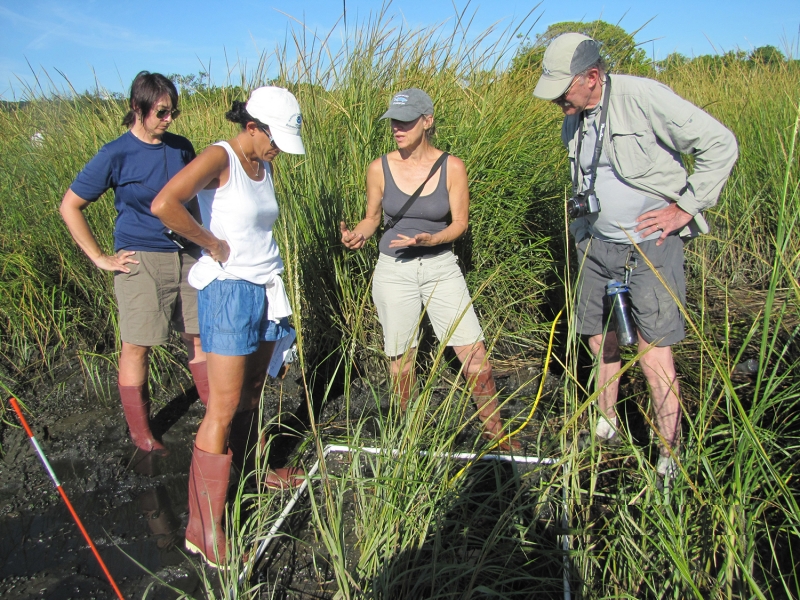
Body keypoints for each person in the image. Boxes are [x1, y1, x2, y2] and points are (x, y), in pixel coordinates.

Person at [532, 34, 738, 483]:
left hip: (648, 248)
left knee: (652, 354)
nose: (557, 102)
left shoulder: (643, 96)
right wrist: (581, 230)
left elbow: (721, 144)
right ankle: (606, 424)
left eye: (563, 89)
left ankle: (669, 453)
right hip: (595, 246)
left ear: (591, 77)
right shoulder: (575, 114)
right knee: (596, 339)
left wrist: (686, 207)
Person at [151, 86, 306, 568]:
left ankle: (254, 470)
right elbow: (165, 204)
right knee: (221, 406)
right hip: (228, 292)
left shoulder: (267, 166)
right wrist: (209, 242)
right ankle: (204, 527)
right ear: (253, 125)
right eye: (273, 137)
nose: (278, 147)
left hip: (263, 289)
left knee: (254, 394)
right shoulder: (221, 156)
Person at [340, 88, 520, 452]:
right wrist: (358, 234)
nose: (397, 128)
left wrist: (432, 239)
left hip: (441, 267)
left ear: (427, 121)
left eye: (405, 121)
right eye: (393, 121)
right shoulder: (379, 167)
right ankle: (410, 435)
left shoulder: (452, 167)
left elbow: (460, 225)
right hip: (393, 271)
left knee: (474, 352)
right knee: (400, 358)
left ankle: (496, 436)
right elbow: (372, 218)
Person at [60, 71, 209, 456]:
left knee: (199, 338)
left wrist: (205, 243)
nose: (169, 120)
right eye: (161, 112)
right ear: (137, 108)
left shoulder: (180, 148)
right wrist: (100, 257)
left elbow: (192, 200)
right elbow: (70, 205)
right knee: (138, 345)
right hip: (141, 257)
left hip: (188, 257)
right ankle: (142, 435)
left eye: (173, 111)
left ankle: (216, 413)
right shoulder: (115, 154)